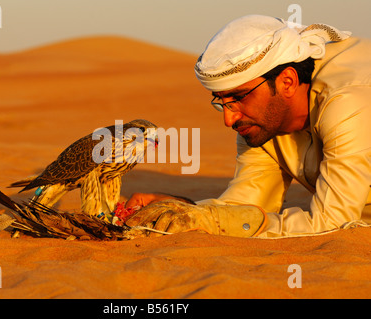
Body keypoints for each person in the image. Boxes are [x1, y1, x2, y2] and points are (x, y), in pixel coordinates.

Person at [125, 15, 371, 238]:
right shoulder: (261, 124)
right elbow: (248, 209)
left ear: (287, 81)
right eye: (222, 102)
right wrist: (182, 209)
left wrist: (209, 220)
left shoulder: (347, 102)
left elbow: (332, 226)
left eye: (239, 97)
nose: (228, 120)